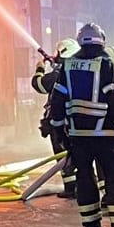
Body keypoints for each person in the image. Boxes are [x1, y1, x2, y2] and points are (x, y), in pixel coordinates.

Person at [48, 23, 114, 227]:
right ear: (102, 41)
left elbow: (58, 100)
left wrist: (59, 132)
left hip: (78, 136)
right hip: (106, 135)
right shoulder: (106, 64)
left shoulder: (68, 65)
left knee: (85, 178)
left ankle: (91, 225)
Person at [32, 38, 80, 198]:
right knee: (79, 155)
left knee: (62, 154)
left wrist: (40, 68)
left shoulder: (57, 75)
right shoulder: (79, 71)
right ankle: (83, 186)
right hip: (78, 122)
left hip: (60, 123)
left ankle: (70, 188)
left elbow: (38, 84)